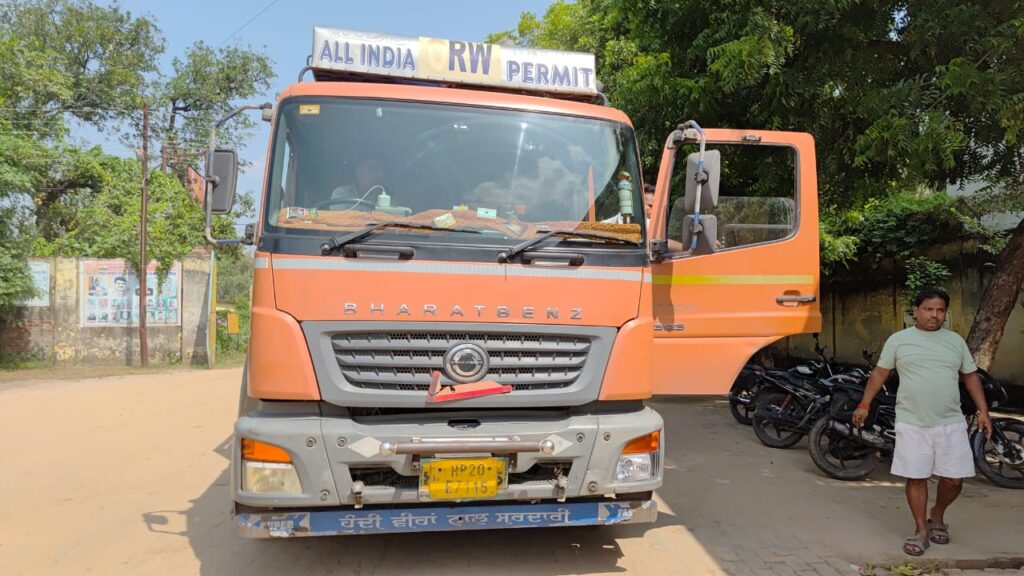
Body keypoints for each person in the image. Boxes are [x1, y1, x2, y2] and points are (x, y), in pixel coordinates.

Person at [853, 288, 991, 557]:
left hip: (950, 422)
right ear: (916, 311)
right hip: (912, 422)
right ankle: (920, 530)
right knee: (916, 477)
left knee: (953, 479)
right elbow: (880, 373)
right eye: (928, 309)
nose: (934, 315)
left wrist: (983, 411)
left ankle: (937, 514)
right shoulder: (899, 340)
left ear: (945, 313)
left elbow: (971, 376)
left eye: (940, 310)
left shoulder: (955, 342)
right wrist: (864, 404)